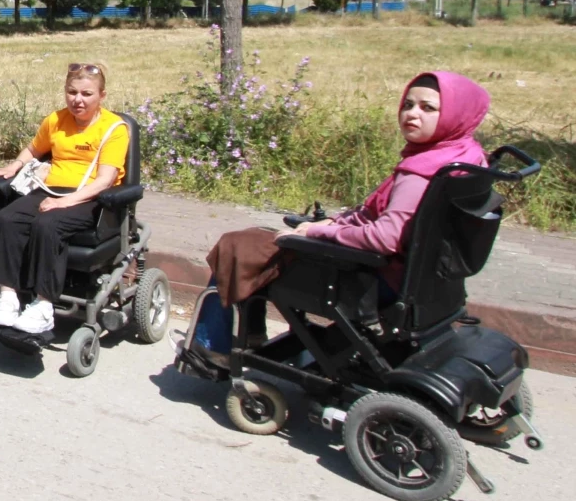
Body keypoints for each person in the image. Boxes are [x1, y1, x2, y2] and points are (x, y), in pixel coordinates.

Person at [186, 70, 491, 367]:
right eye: (408, 104)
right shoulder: (466, 156)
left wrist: (318, 233)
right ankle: (249, 335)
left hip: (371, 278)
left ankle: (213, 347)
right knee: (255, 242)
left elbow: (385, 238)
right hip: (422, 282)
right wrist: (336, 222)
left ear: (454, 114)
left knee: (238, 245)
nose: (412, 114)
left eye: (428, 108)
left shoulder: (419, 173)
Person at [0, 62, 129, 339]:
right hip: (52, 187)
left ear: (102, 95)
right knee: (7, 218)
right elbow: (34, 149)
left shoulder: (114, 128)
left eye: (87, 94)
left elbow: (105, 180)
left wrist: (65, 202)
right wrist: (13, 166)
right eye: (72, 92)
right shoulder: (56, 120)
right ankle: (9, 297)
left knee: (47, 224)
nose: (78, 99)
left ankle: (43, 307)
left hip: (91, 197)